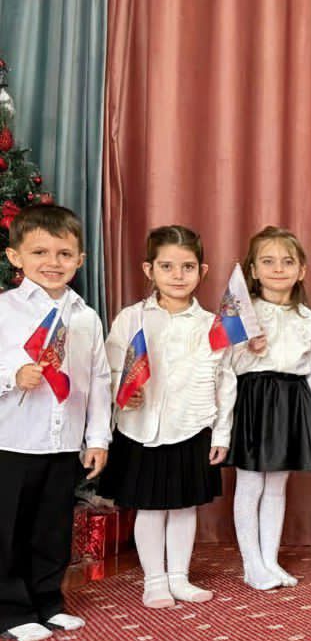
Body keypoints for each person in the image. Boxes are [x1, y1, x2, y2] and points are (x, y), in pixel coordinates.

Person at [102, 225, 236, 609]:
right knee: (149, 507)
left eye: (187, 267)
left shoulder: (212, 324)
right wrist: (122, 393)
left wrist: (221, 433)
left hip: (191, 427)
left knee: (183, 505)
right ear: (149, 270)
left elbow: (225, 381)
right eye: (167, 266)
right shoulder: (131, 318)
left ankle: (179, 577)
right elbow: (110, 368)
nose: (178, 275)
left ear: (202, 271)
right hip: (141, 428)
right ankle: (154, 580)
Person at [0, 205, 110, 641]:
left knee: (52, 528)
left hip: (63, 442)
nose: (53, 262)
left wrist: (97, 438)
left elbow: (98, 380)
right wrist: (12, 376)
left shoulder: (85, 317)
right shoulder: (5, 310)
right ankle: (11, 610)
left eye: (64, 253)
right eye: (40, 252)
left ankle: (48, 601)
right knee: (9, 529)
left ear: (80, 259)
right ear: (15, 257)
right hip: (12, 441)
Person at [226, 226, 311, 591]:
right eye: (268, 262)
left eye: (287, 262)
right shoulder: (242, 315)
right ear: (253, 270)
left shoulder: (310, 321)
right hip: (254, 399)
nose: (278, 269)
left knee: (277, 485)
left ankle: (270, 559)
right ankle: (251, 563)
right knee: (251, 482)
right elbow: (224, 365)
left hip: (291, 401)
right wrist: (247, 350)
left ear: (301, 270)